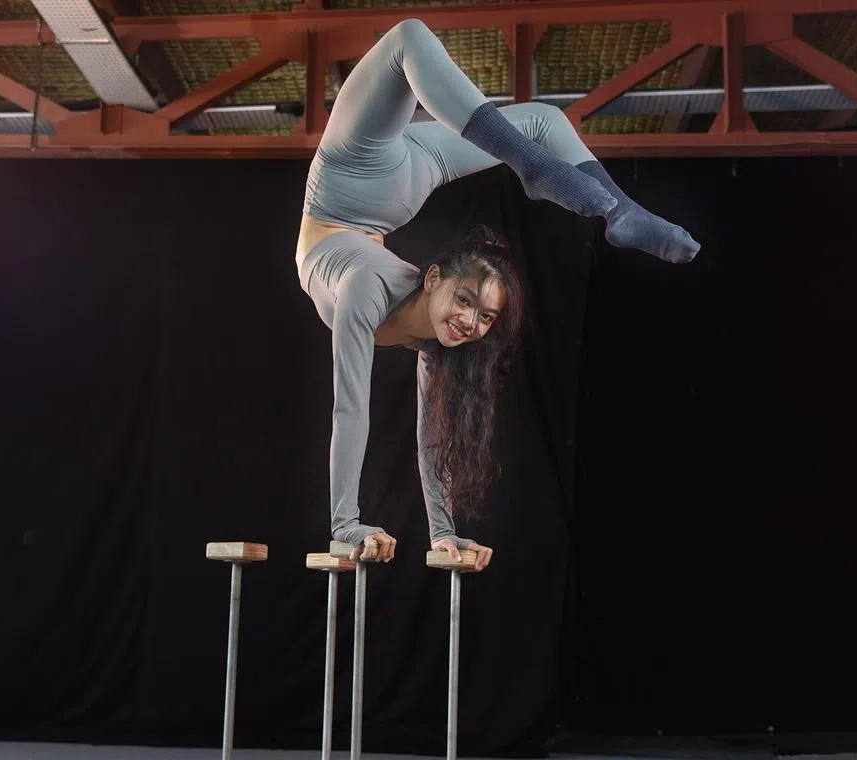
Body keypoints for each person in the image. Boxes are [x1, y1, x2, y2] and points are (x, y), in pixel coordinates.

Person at [294, 18, 701, 572]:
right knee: (409, 37)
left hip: (391, 185)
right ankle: (547, 174)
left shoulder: (430, 333)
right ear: (432, 276)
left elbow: (429, 439)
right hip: (353, 180)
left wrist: (443, 535)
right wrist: (345, 525)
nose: (471, 323)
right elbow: (350, 406)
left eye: (485, 317)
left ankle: (614, 208)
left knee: (543, 119)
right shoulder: (368, 287)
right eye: (467, 301)